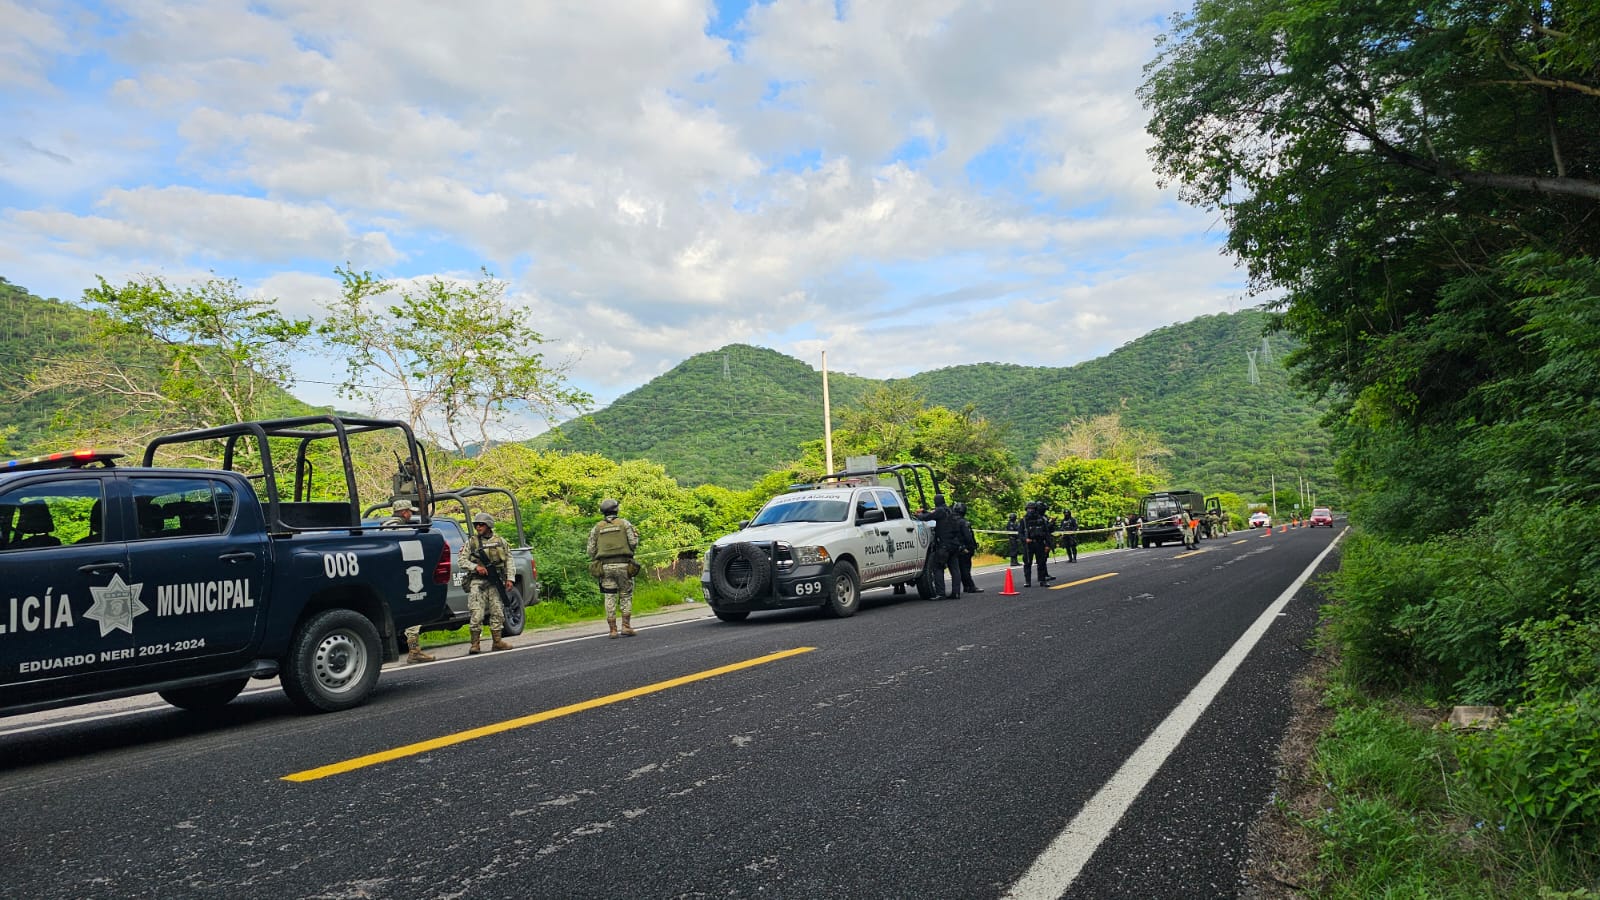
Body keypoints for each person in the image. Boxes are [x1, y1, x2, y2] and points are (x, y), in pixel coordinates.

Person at [383, 500, 434, 663]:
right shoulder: (402, 529)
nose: (411, 514)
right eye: (409, 512)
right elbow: (414, 554)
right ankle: (414, 651)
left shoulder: (383, 527)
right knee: (413, 611)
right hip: (407, 575)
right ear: (404, 512)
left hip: (391, 578)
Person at [587, 497, 640, 637]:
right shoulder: (625, 524)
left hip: (605, 567)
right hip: (624, 565)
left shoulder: (597, 528)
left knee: (609, 596)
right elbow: (633, 543)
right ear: (616, 509)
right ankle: (626, 626)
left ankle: (612, 630)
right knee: (625, 595)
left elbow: (590, 551)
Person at [462, 511, 513, 653]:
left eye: (481, 524)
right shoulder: (472, 542)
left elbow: (509, 560)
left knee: (497, 612)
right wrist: (476, 567)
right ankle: (475, 644)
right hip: (477, 583)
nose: (478, 527)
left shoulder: (500, 541)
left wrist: (510, 578)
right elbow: (462, 560)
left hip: (496, 582)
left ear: (489, 525)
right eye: (476, 524)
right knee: (476, 613)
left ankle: (497, 641)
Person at [915, 493, 963, 599]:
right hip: (954, 544)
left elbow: (927, 517)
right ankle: (956, 592)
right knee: (954, 569)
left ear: (936, 502)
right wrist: (925, 512)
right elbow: (933, 515)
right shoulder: (949, 510)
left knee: (937, 567)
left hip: (944, 545)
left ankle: (940, 593)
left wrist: (918, 515)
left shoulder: (940, 511)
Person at [1022, 501, 1054, 587]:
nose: (1030, 510)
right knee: (1027, 563)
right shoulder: (1024, 520)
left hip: (1039, 543)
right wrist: (1025, 539)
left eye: (1032, 508)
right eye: (1029, 509)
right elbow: (1020, 533)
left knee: (1041, 562)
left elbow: (1047, 533)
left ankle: (1042, 580)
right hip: (1029, 544)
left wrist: (1048, 545)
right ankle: (1027, 581)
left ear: (1035, 509)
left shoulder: (1041, 519)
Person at [953, 502, 983, 594]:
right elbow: (968, 536)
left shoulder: (951, 521)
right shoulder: (963, 522)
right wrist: (972, 547)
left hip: (956, 548)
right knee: (966, 568)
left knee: (961, 569)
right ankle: (971, 586)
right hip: (965, 548)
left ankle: (966, 586)